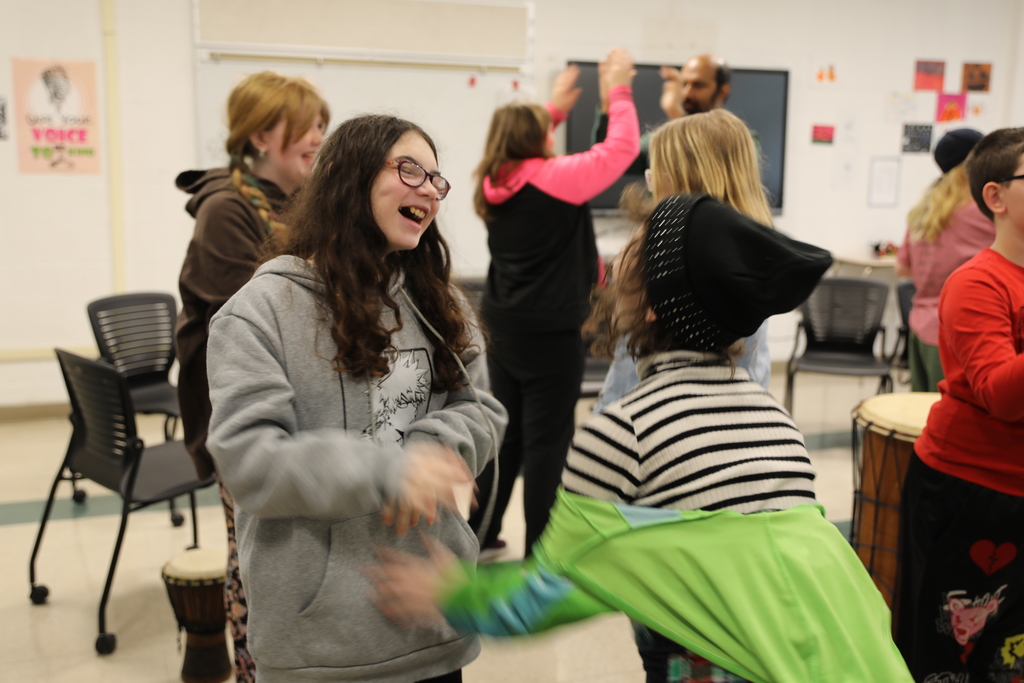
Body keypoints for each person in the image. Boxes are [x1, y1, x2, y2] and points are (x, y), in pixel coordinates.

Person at [368, 194, 916, 683]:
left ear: (652, 304)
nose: (608, 269)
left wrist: (457, 597)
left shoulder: (624, 431)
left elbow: (552, 594)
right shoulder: (774, 416)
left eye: (627, 261)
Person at [204, 114, 508, 683]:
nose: (429, 189)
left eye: (437, 180)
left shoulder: (438, 303)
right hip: (321, 647)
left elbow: (482, 408)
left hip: (432, 626)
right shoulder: (259, 312)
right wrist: (387, 470)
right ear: (348, 178)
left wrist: (432, 445)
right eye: (409, 169)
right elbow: (248, 458)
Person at [174, 70, 329, 682]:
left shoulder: (294, 203)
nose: (320, 137)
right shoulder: (226, 210)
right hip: (245, 420)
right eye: (308, 126)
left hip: (296, 407)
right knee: (258, 562)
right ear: (262, 135)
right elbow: (263, 316)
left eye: (323, 124)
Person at [466, 48, 640, 557]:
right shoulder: (557, 177)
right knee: (547, 443)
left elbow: (521, 138)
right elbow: (622, 146)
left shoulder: (493, 180)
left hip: (503, 327)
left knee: (509, 436)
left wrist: (553, 111)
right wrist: (619, 90)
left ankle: (479, 533)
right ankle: (542, 551)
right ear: (537, 138)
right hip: (550, 335)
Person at [895, 128, 1024, 681]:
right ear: (995, 197)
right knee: (946, 651)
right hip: (969, 489)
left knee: (1008, 653)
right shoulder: (977, 282)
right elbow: (1001, 394)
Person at [594, 108, 772, 414]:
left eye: (655, 178)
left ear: (682, 181)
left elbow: (628, 369)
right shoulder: (754, 250)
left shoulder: (664, 252)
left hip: (650, 413)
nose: (651, 189)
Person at [895, 128, 995, 392]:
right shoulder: (984, 212)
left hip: (921, 327)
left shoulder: (924, 209)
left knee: (920, 416)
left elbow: (902, 268)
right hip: (959, 332)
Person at [592, 53, 731, 176]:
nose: (686, 93)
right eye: (684, 84)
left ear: (723, 91)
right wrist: (609, 104)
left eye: (698, 85)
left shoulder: (741, 139)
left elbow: (708, 172)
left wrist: (677, 117)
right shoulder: (661, 139)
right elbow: (613, 160)